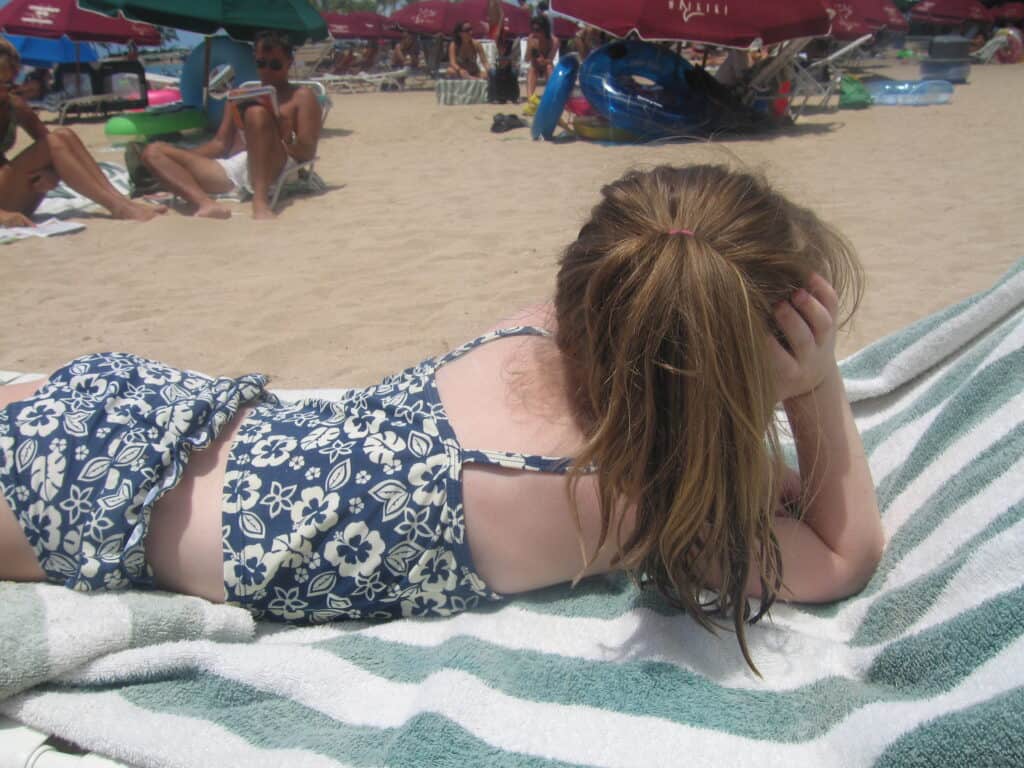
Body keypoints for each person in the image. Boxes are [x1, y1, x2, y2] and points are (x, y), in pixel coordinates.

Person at [0, 164, 884, 672]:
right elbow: (842, 551)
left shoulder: (539, 331)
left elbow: (727, 450)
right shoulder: (637, 503)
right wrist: (812, 389)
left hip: (142, 413)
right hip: (93, 509)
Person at [139, 30, 322, 221]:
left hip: (279, 164)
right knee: (154, 152)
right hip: (239, 166)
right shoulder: (242, 93)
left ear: (289, 63)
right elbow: (219, 144)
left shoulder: (301, 96)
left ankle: (260, 202)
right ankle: (206, 204)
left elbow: (306, 153)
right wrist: (183, 157)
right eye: (261, 63)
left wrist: (285, 136)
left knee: (256, 113)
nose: (267, 71)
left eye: (275, 65)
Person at [0, 40, 164, 227]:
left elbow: (50, 145)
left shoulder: (13, 105)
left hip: (8, 190)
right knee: (54, 143)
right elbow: (50, 148)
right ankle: (118, 206)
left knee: (64, 135)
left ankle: (121, 201)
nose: (7, 90)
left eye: (10, 83)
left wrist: (52, 173)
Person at [526, 15, 559, 98]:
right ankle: (530, 99)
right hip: (535, 65)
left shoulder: (554, 41)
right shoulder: (531, 38)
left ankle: (550, 96)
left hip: (546, 64)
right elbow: (526, 59)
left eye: (537, 30)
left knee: (549, 68)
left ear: (545, 30)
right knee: (531, 69)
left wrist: (541, 58)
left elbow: (550, 60)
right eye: (533, 30)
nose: (534, 32)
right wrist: (530, 48)